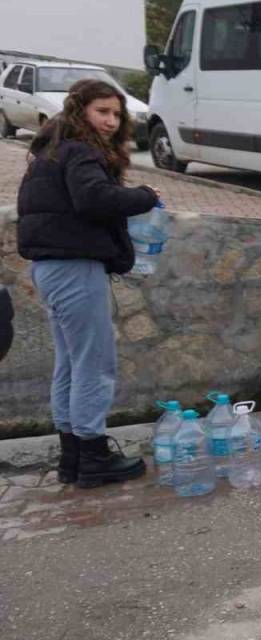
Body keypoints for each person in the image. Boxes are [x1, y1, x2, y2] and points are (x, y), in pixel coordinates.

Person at [16, 79, 160, 489]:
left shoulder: (51, 151)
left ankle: (73, 457)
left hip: (50, 268)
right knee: (95, 365)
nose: (111, 121)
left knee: (70, 363)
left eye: (117, 114)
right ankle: (93, 455)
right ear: (80, 111)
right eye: (102, 112)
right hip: (75, 267)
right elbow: (94, 200)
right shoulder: (80, 152)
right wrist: (145, 196)